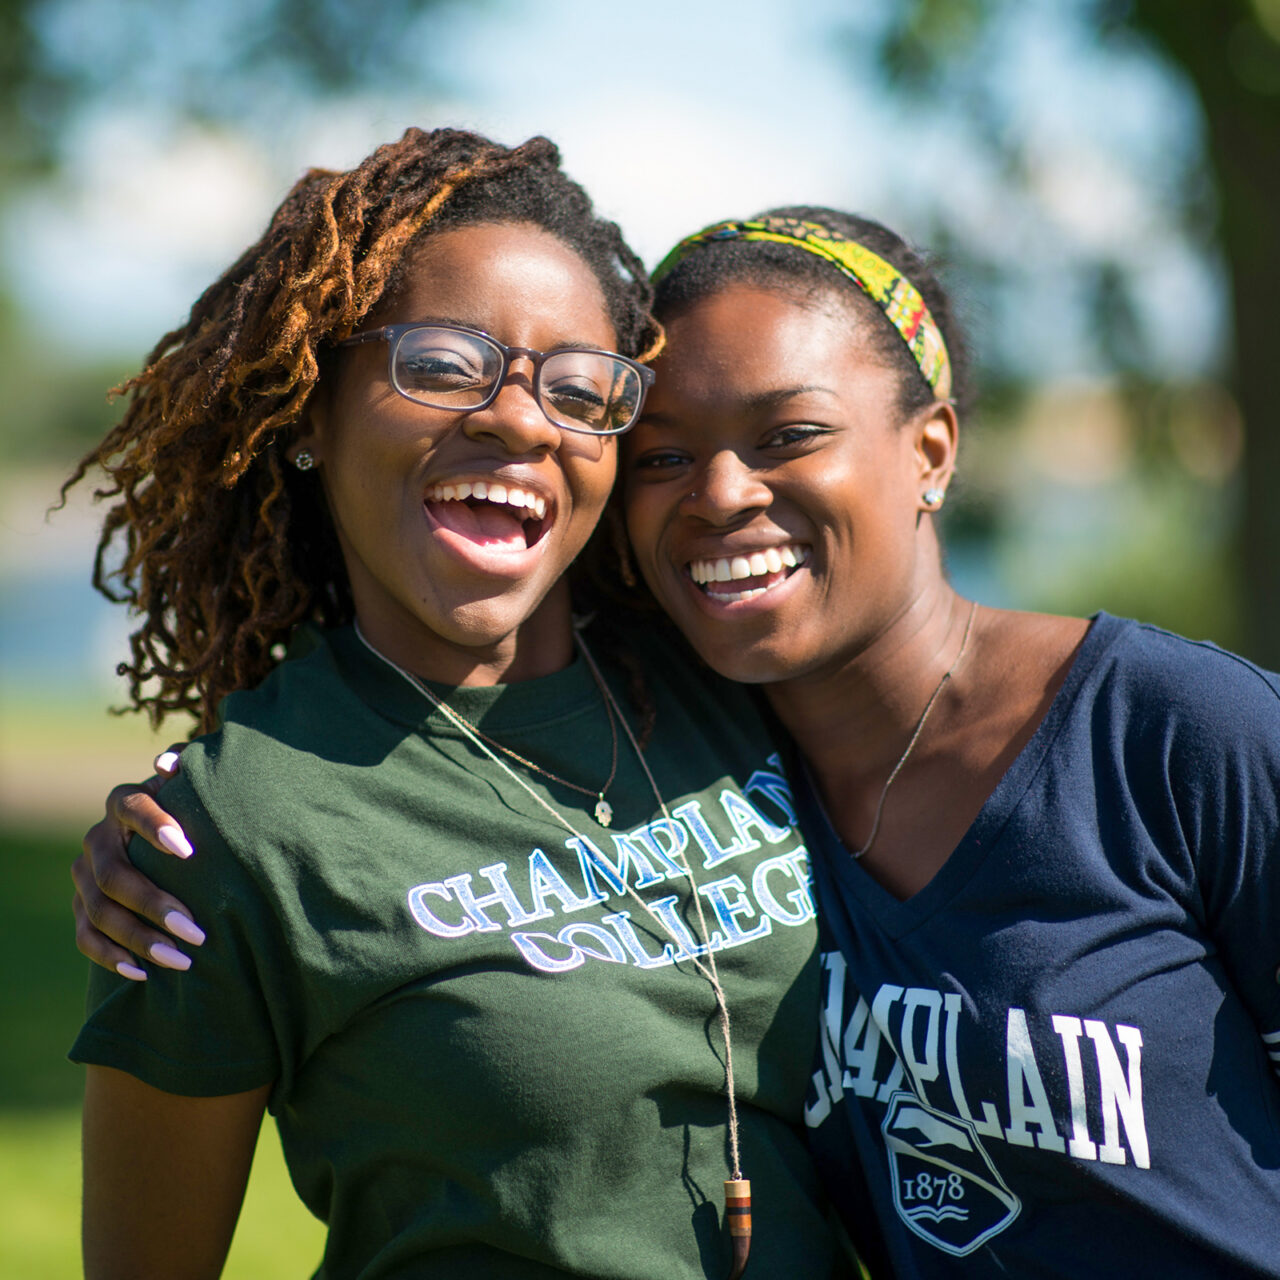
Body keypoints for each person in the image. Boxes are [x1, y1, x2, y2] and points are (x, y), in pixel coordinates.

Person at [77, 200, 1280, 1277]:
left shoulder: (1142, 730)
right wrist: (152, 842)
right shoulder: (239, 826)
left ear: (933, 447)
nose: (716, 495)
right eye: (660, 452)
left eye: (578, 392)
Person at [64, 130, 848, 1280]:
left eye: (580, 390)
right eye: (440, 364)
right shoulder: (220, 833)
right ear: (306, 412)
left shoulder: (731, 684)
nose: (521, 421)